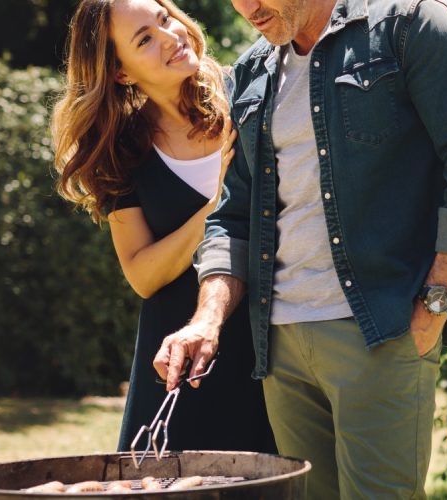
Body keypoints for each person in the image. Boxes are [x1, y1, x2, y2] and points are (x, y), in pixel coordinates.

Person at [155, 0, 447, 497]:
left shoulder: (410, 26)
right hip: (280, 347)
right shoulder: (251, 72)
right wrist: (207, 320)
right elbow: (233, 216)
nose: (247, 8)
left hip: (381, 332)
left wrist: (435, 306)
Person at [50, 0, 275, 454]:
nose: (171, 37)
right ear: (121, 73)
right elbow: (142, 274)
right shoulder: (120, 152)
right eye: (145, 40)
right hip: (181, 363)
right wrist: (216, 205)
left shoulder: (251, 92)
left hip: (278, 347)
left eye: (165, 19)